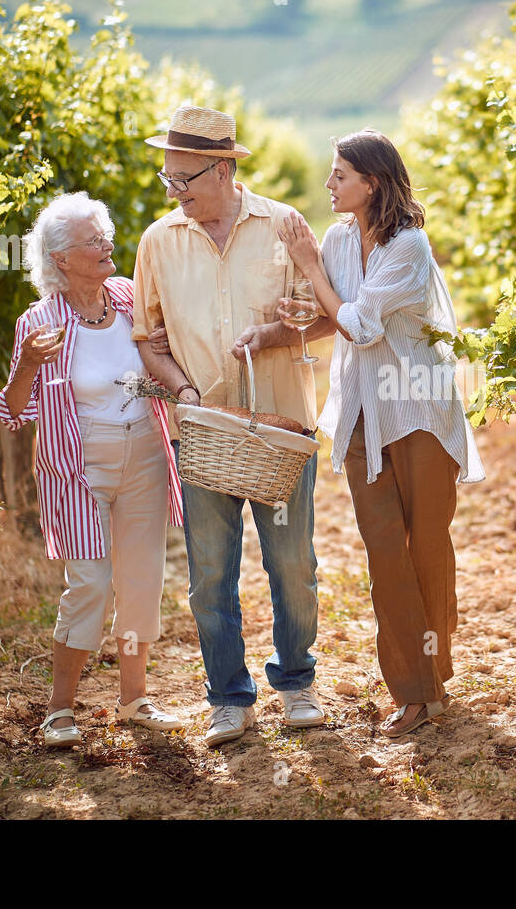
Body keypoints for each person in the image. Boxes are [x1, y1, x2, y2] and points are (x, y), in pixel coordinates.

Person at [133, 105, 337, 748]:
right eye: (168, 178)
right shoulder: (157, 241)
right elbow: (149, 340)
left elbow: (330, 317)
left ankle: (297, 682)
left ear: (223, 170)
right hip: (202, 436)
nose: (174, 191)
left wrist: (280, 330)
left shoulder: (284, 226)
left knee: (293, 566)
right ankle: (228, 696)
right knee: (209, 575)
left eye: (184, 178)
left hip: (279, 432)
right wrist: (183, 390)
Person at [277, 128, 484, 738]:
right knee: (383, 549)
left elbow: (363, 323)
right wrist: (300, 319)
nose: (329, 185)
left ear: (372, 183)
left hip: (417, 409)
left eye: (340, 175)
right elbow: (338, 317)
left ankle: (432, 672)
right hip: (364, 411)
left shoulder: (409, 245)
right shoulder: (341, 240)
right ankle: (415, 691)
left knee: (425, 544)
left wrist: (310, 268)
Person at [0, 191, 185, 748]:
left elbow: (165, 352)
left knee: (142, 578)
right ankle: (60, 709)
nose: (106, 246)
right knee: (91, 585)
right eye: (91, 242)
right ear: (60, 259)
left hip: (146, 452)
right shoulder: (40, 322)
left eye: (105, 236)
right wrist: (28, 363)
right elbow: (12, 412)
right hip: (78, 464)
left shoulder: (128, 297)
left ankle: (134, 700)